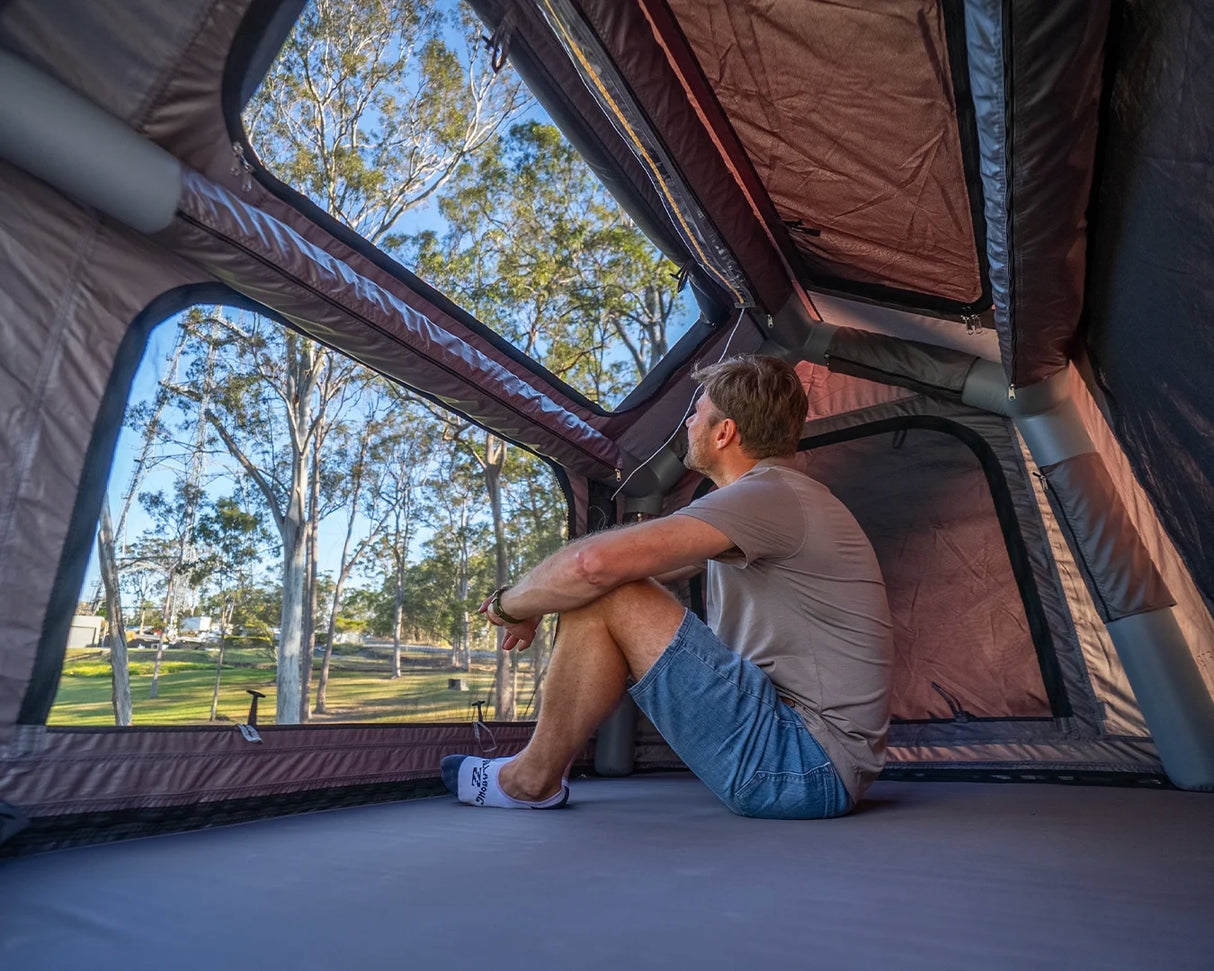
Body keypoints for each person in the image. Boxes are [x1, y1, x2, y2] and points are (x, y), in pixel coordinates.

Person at [442, 354, 893, 818]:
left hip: (802, 766)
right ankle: (535, 773)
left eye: (697, 412)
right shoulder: (776, 504)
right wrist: (552, 595)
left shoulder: (770, 496)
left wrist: (512, 604)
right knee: (608, 584)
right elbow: (628, 573)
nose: (690, 424)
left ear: (724, 433)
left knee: (609, 584)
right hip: (806, 758)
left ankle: (530, 779)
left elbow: (593, 565)